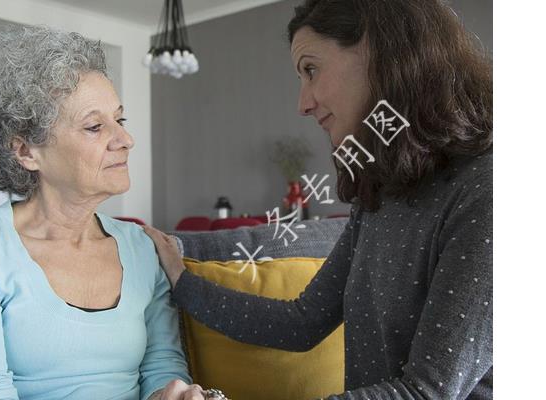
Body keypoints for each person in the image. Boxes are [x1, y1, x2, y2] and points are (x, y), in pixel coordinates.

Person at [144, 0, 493, 398]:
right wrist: (181, 280)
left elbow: (426, 392)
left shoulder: (488, 190)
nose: (303, 103)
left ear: (383, 52)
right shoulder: (381, 188)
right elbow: (302, 320)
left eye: (311, 70)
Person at [0, 25, 208, 400]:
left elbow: (163, 367)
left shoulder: (143, 249)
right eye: (95, 127)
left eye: (119, 120)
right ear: (26, 152)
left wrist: (171, 394)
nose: (125, 140)